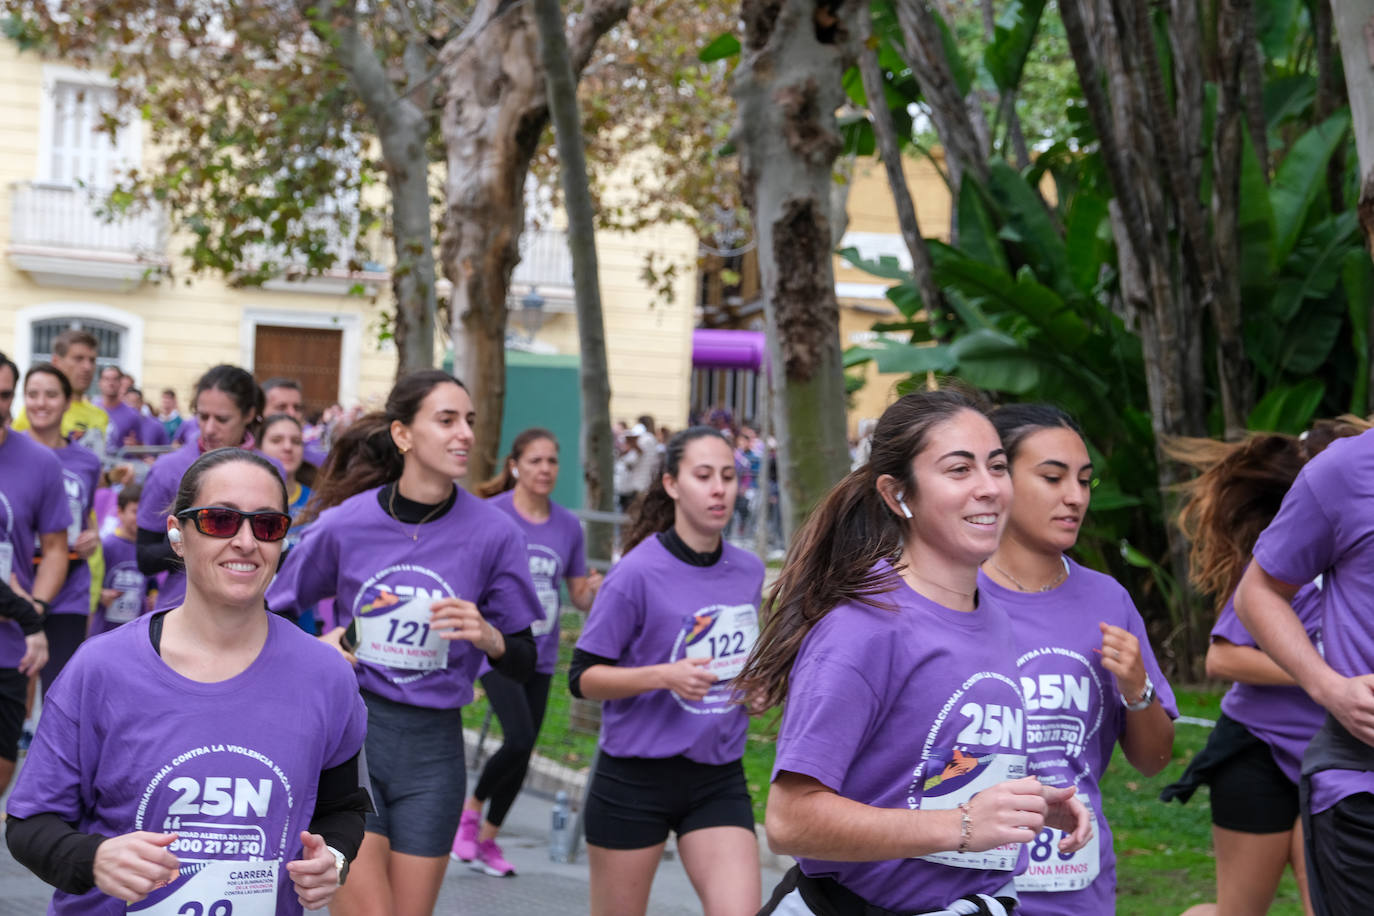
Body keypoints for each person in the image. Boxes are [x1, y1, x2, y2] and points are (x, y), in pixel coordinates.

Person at [736, 389, 1092, 916]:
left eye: (997, 467)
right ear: (898, 494)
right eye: (959, 470)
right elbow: (790, 822)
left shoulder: (992, 616)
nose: (989, 488)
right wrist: (964, 826)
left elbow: (930, 771)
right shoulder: (863, 627)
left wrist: (1030, 801)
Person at [4, 448, 370, 914]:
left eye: (267, 525)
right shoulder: (101, 668)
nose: (245, 541)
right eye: (220, 520)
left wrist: (333, 858)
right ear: (177, 534)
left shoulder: (327, 675)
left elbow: (345, 807)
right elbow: (30, 823)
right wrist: (94, 858)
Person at [266, 369, 541, 916]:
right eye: (446, 420)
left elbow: (526, 660)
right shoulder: (347, 525)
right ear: (403, 435)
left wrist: (488, 636)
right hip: (353, 745)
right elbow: (263, 609)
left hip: (435, 754)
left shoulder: (494, 534)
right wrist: (319, 641)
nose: (464, 433)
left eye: (470, 421)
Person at [977, 404, 1176, 914]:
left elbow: (1152, 762)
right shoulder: (951, 591)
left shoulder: (1108, 600)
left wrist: (1138, 689)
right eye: (1052, 477)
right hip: (964, 886)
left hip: (1076, 888)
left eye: (1084, 480)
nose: (1075, 497)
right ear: (998, 478)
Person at [570, 426, 765, 916]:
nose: (719, 488)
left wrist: (758, 690)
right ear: (673, 485)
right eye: (703, 476)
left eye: (728, 476)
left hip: (718, 779)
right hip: (635, 781)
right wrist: (665, 676)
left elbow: (739, 664)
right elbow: (583, 677)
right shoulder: (635, 572)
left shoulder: (748, 570)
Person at [453, 428, 602, 876]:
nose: (544, 470)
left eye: (552, 461)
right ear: (514, 465)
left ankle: (488, 842)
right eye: (535, 460)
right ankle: (470, 812)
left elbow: (576, 594)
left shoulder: (567, 526)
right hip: (496, 647)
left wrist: (594, 590)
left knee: (526, 747)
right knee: (517, 737)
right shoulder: (490, 514)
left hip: (541, 652)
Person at [136, 365, 271, 611]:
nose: (209, 429)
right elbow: (145, 557)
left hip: (251, 614)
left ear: (249, 414)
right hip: (181, 610)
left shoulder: (270, 472)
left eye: (222, 419)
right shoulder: (169, 468)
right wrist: (197, 535)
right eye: (202, 416)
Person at [21, 363, 103, 695]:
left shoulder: (87, 461)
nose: (41, 403)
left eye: (51, 395)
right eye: (33, 395)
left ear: (68, 401)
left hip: (70, 583)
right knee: (16, 682)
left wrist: (93, 538)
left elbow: (87, 514)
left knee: (61, 687)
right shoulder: (8, 451)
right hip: (19, 580)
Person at [0, 351, 57, 795]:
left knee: (3, 767)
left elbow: (56, 549)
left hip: (10, 641)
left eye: (3, 395)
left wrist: (32, 607)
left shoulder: (40, 462)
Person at [13, 330, 107, 452]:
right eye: (79, 359)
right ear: (56, 362)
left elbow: (94, 468)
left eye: (92, 360)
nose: (87, 367)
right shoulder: (39, 411)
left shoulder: (101, 415)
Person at [91, 483, 152, 636]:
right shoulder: (107, 546)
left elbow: (151, 581)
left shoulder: (147, 548)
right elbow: (90, 582)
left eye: (144, 512)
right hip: (103, 630)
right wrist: (100, 594)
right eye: (135, 512)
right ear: (120, 512)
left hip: (132, 632)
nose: (140, 518)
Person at [262, 378, 328, 467]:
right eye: (281, 407)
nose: (292, 414)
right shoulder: (243, 459)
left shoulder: (319, 462)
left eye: (297, 408)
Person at [96, 365, 142, 453]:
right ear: (100, 383)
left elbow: (141, 448)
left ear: (120, 383)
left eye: (115, 379)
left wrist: (135, 447)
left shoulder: (132, 415)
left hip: (120, 464)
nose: (111, 383)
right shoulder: (91, 410)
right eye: (106, 379)